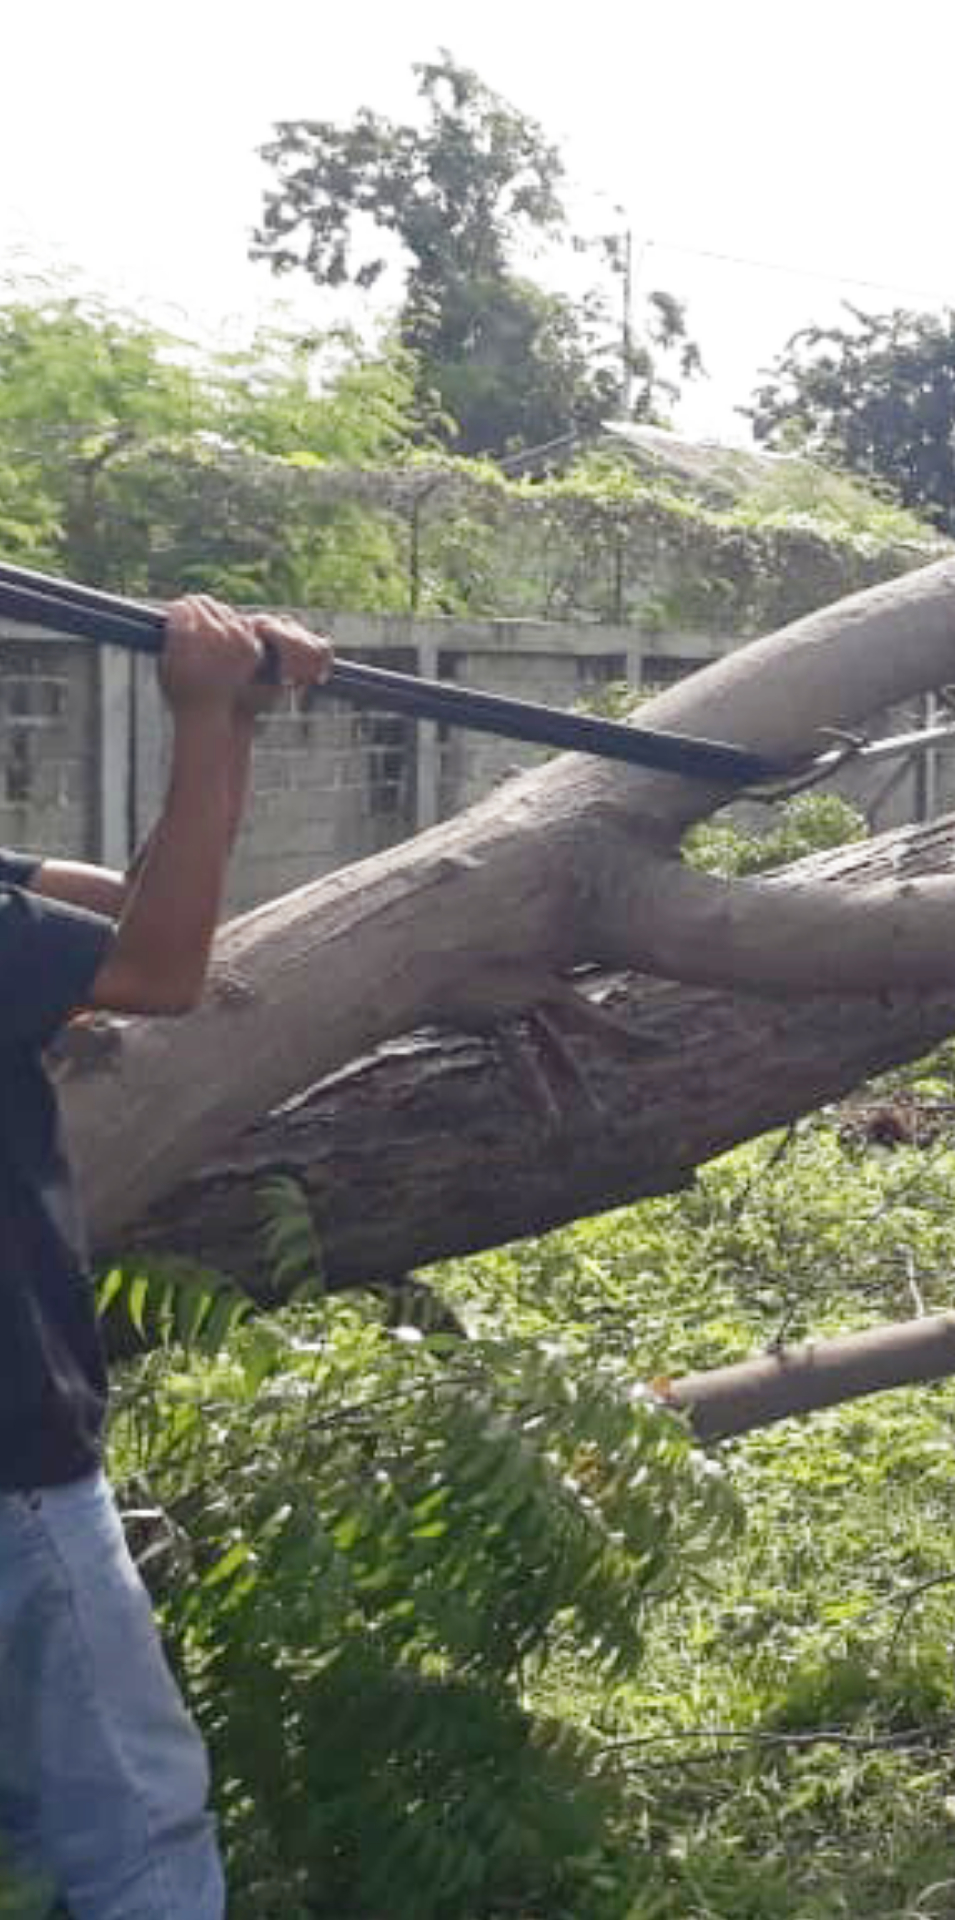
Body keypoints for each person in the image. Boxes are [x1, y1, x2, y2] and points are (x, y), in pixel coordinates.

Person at [1, 595, 334, 1919]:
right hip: (9, 1470)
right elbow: (159, 962)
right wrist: (201, 716)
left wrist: (234, 717)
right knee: (137, 1840)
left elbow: (104, 901)